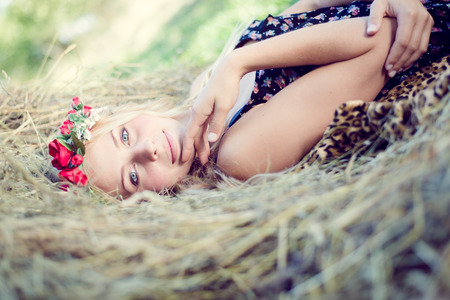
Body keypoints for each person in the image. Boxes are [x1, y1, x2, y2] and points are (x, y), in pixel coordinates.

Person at [48, 0, 449, 197]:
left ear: (125, 112)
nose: (148, 150)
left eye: (124, 137)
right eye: (132, 177)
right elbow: (382, 40)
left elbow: (310, 7)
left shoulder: (203, 87)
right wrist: (239, 62)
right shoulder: (241, 153)